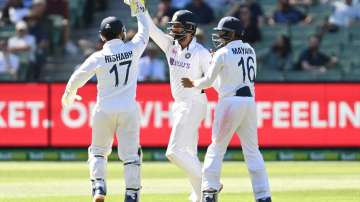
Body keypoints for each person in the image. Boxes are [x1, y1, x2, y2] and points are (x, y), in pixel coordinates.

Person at [61, 1, 148, 202]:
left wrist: (69, 93)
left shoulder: (98, 57)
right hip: (128, 109)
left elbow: (77, 76)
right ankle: (132, 194)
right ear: (122, 33)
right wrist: (139, 7)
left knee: (98, 152)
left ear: (101, 36)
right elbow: (145, 31)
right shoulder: (133, 49)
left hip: (104, 110)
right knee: (131, 156)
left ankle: (99, 187)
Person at [181, 16, 272, 202]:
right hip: (249, 102)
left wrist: (192, 83)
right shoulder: (250, 50)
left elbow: (208, 81)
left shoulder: (223, 53)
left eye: (223, 33)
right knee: (253, 151)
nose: (220, 37)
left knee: (216, 148)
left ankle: (209, 191)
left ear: (232, 33)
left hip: (230, 102)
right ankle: (263, 195)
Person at [139, 7, 212, 202]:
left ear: (190, 29)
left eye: (178, 27)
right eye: (173, 26)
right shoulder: (171, 45)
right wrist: (140, 8)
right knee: (189, 153)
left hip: (194, 102)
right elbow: (152, 29)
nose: (174, 30)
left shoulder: (201, 53)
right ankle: (201, 195)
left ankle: (209, 182)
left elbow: (213, 80)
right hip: (180, 103)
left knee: (173, 152)